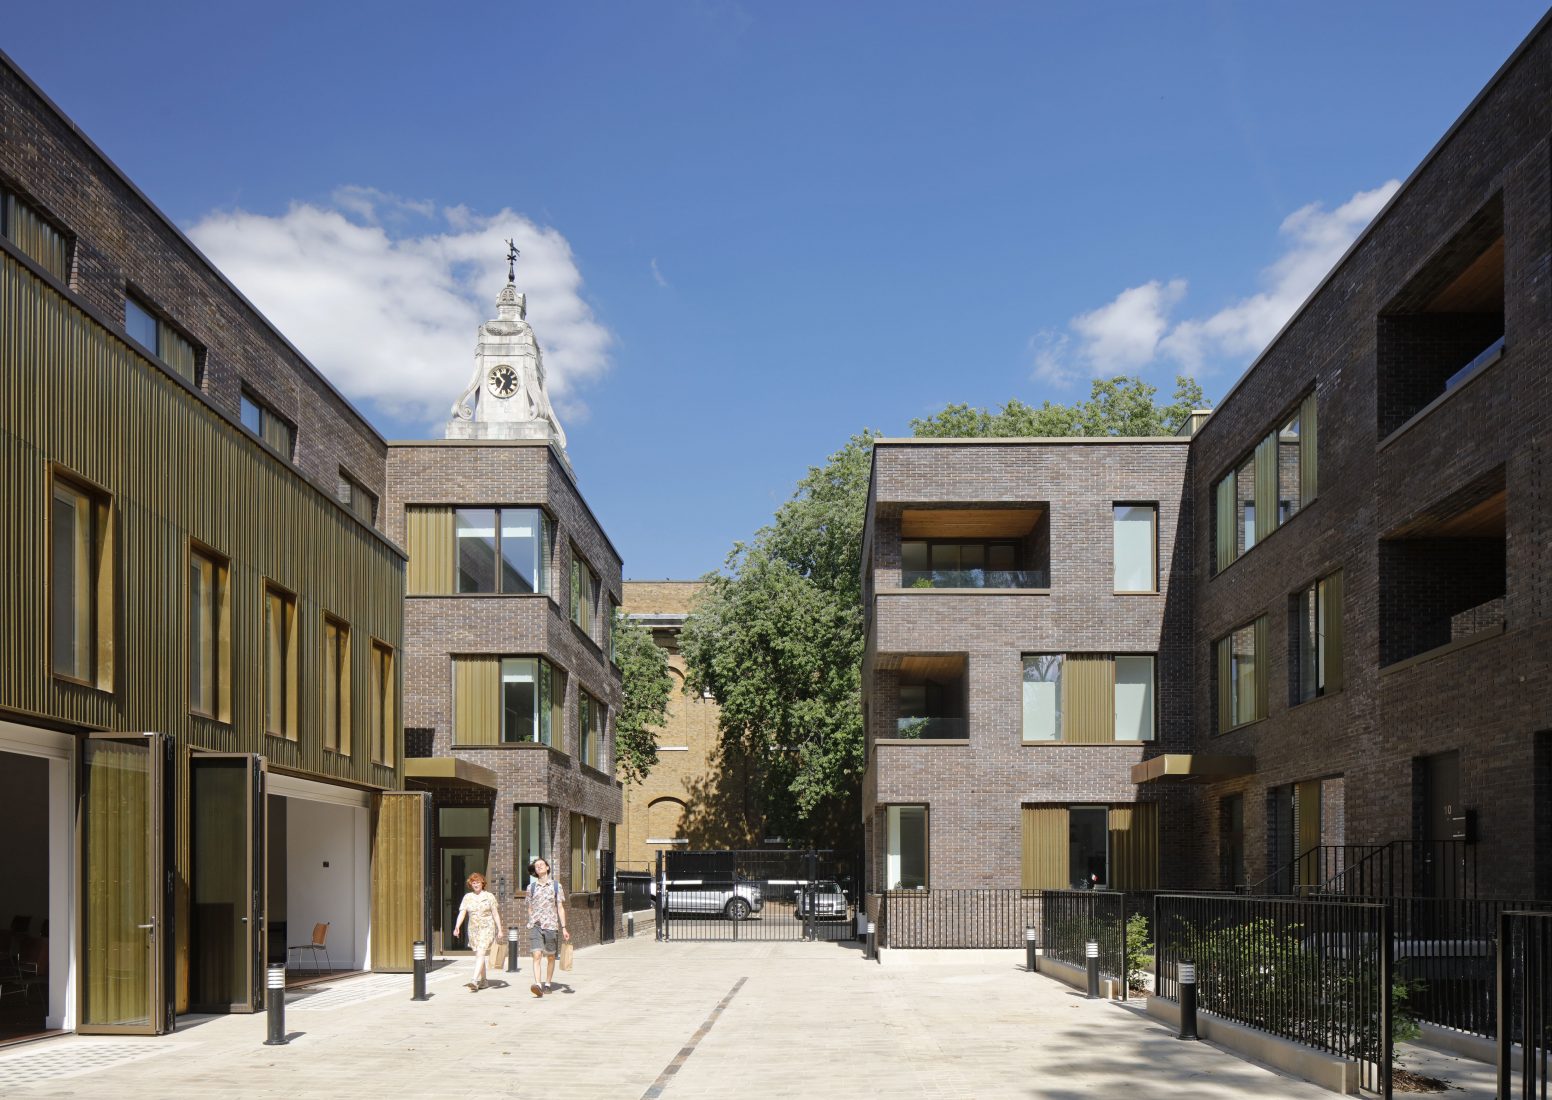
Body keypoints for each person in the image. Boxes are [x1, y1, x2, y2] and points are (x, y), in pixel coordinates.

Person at [450, 871, 502, 992]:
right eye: (473, 882)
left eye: (478, 882)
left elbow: (495, 914)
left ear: (482, 883)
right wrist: (457, 926)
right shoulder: (467, 897)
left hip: (487, 928)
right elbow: (462, 912)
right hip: (473, 929)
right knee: (480, 954)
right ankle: (484, 980)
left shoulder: (489, 896)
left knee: (481, 952)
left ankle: (474, 980)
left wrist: (500, 929)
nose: (476, 884)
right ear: (471, 884)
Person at [525, 857, 569, 997]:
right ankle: (538, 984)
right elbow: (530, 907)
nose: (539, 867)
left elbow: (560, 907)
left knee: (550, 956)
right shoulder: (531, 887)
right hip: (536, 925)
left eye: (541, 864)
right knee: (536, 954)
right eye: (536, 866)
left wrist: (564, 927)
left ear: (547, 867)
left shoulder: (556, 886)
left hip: (551, 925)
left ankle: (548, 983)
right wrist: (532, 919)